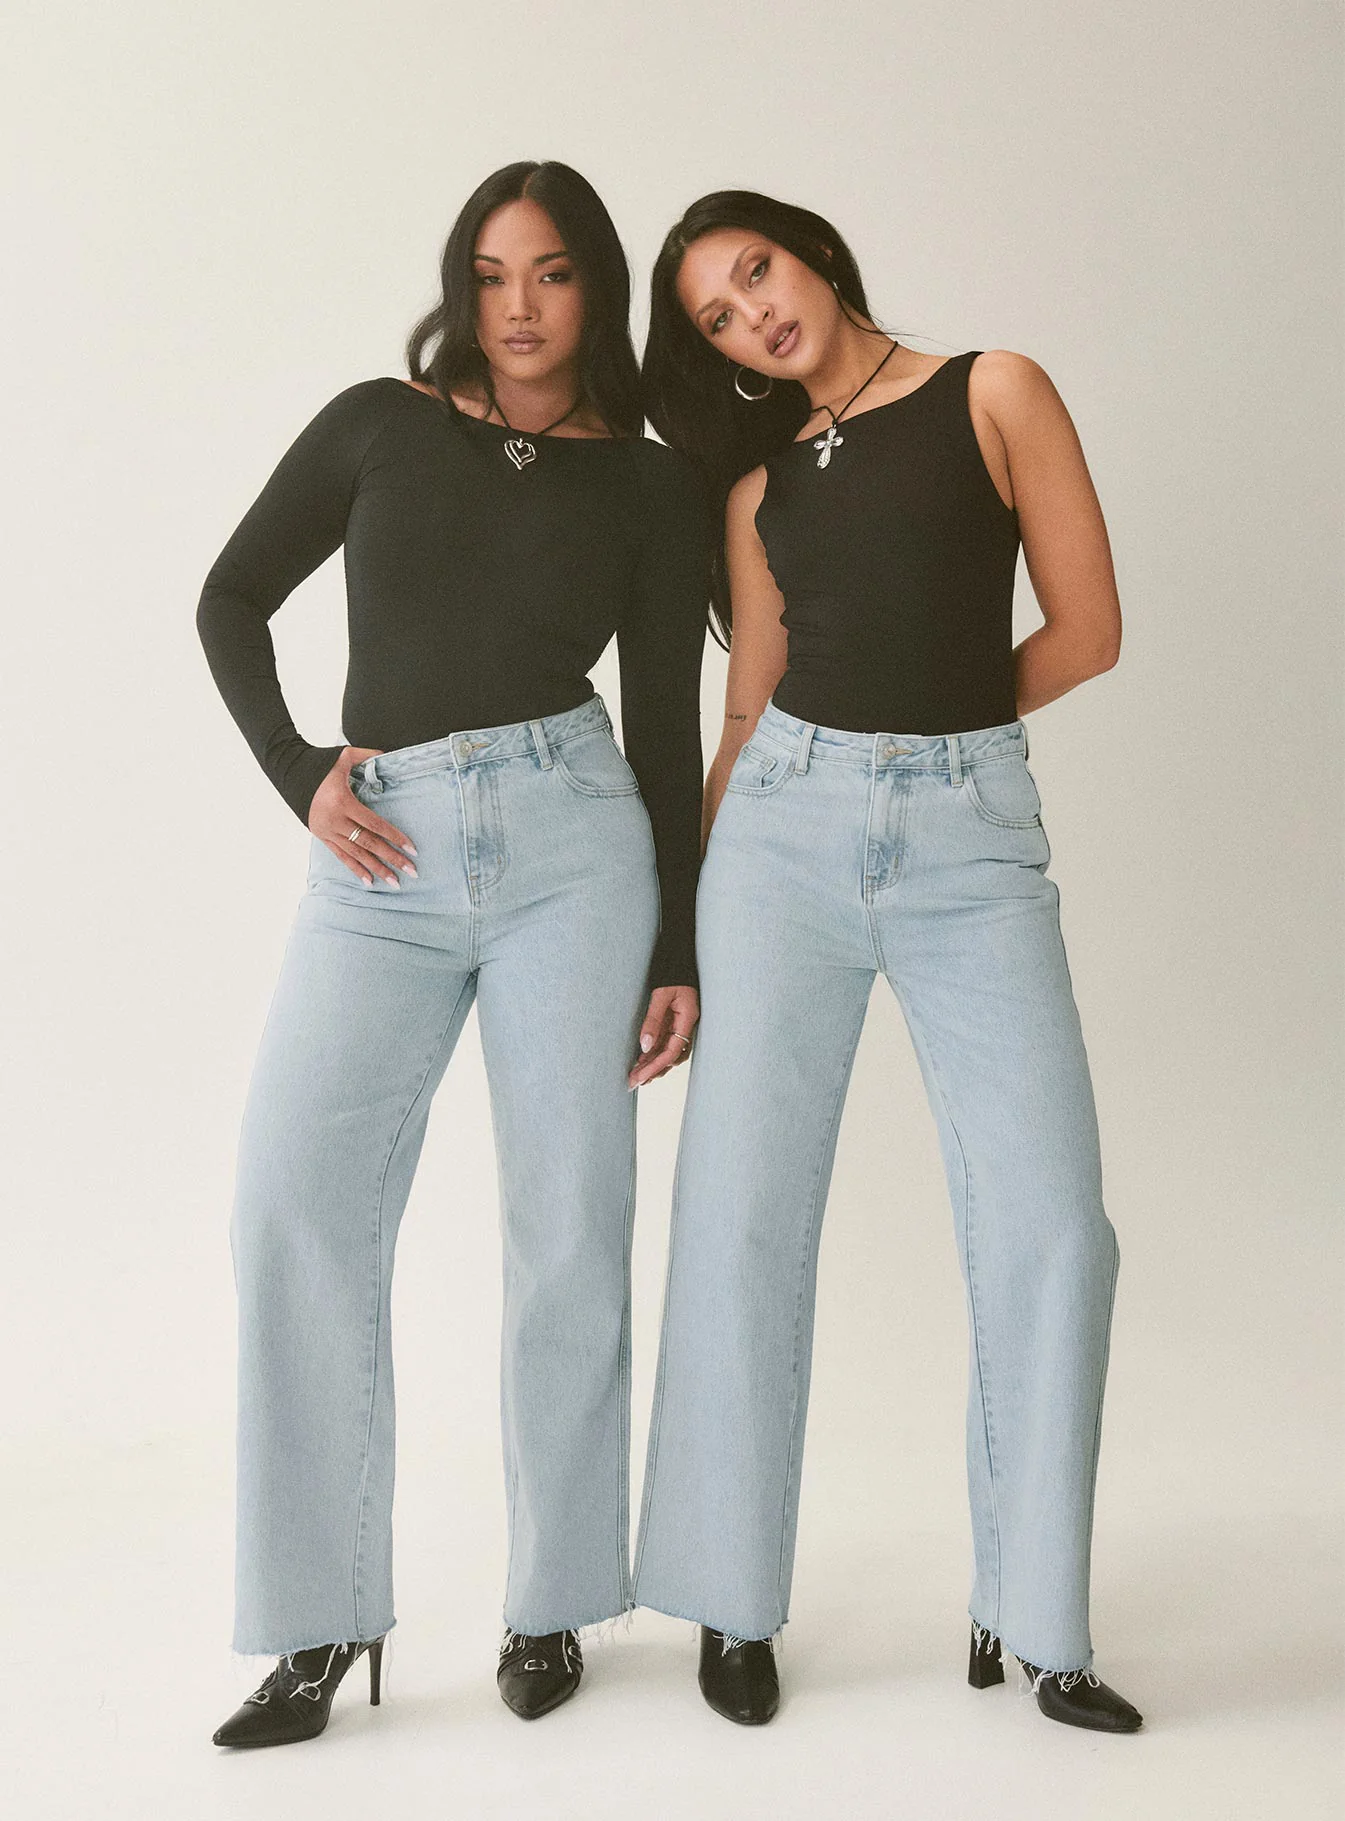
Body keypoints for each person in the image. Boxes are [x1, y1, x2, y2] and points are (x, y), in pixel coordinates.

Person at [197, 160, 709, 1748]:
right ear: (458, 285)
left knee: (569, 1226)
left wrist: (679, 939)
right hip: (384, 847)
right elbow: (229, 597)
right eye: (491, 274)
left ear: (594, 286)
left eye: (549, 273)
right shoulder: (378, 424)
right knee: (292, 1198)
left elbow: (668, 724)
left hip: (575, 848)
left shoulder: (650, 485)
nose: (519, 306)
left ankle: (552, 1596)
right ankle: (317, 1620)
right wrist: (301, 772)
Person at [631, 190, 1142, 1734]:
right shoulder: (758, 489)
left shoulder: (996, 389)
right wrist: (683, 929)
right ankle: (729, 1597)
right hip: (780, 836)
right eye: (719, 319)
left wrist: (937, 729)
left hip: (969, 841)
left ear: (814, 252)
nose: (754, 316)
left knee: (1053, 1224)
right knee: (740, 1214)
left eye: (757, 273)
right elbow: (745, 711)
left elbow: (1089, 629)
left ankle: (1034, 1614)